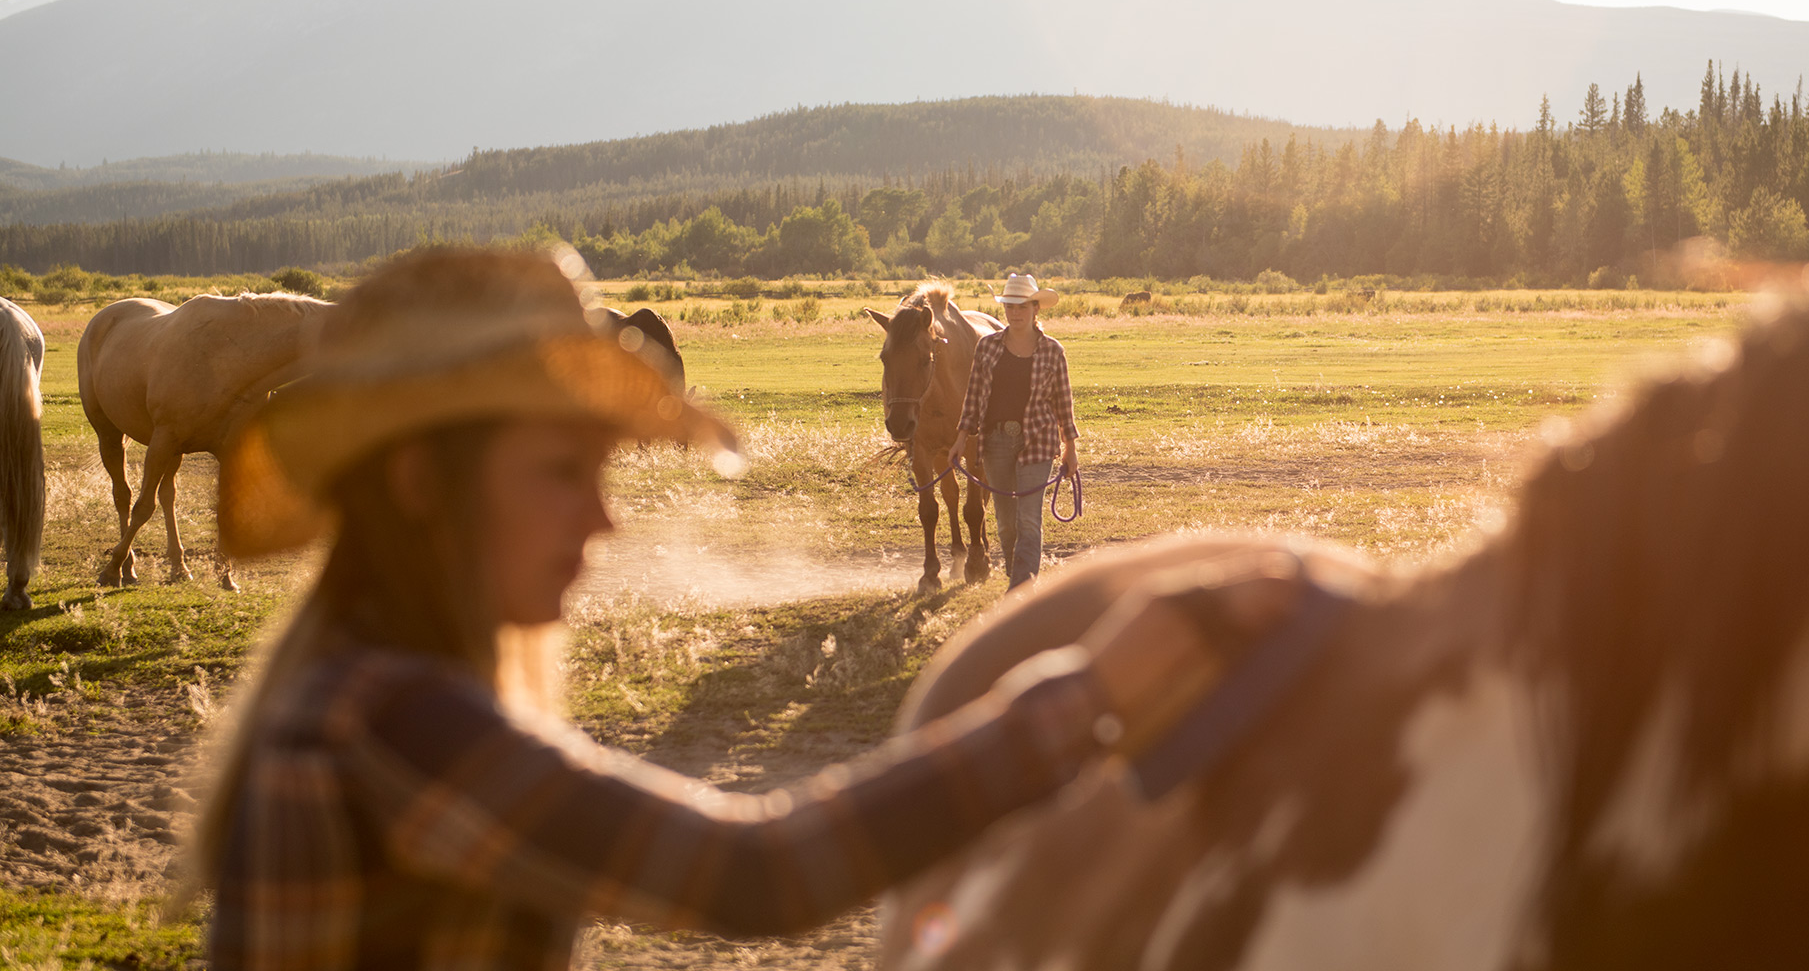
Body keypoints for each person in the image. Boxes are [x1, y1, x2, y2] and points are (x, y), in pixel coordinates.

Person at [184, 246, 1299, 970]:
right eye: (559, 474)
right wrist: (1091, 694)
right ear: (422, 484)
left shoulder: (355, 690)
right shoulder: (396, 724)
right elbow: (752, 874)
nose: (602, 523)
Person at [947, 274, 1078, 591]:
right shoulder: (987, 347)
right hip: (995, 442)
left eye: (1021, 306)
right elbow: (974, 396)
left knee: (1029, 520)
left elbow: (1063, 402)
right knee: (1006, 525)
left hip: (1038, 440)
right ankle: (1018, 580)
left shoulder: (1053, 351)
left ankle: (1020, 590)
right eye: (1009, 306)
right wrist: (961, 439)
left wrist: (1070, 447)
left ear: (1035, 309)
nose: (1014, 312)